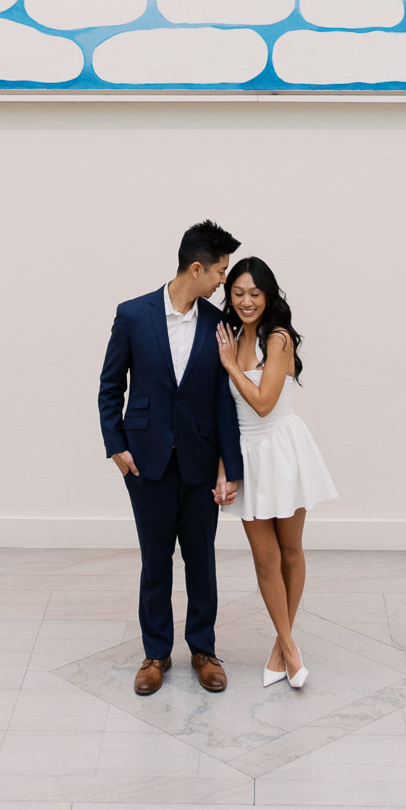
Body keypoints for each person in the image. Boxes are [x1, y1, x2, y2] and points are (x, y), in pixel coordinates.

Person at [98, 219, 245, 697]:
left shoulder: (220, 324)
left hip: (201, 463)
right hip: (147, 461)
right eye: (221, 272)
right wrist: (116, 447)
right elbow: (110, 386)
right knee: (155, 559)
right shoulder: (133, 315)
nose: (224, 281)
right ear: (197, 268)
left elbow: (225, 402)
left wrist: (231, 469)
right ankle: (155, 654)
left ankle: (203, 650)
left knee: (201, 560)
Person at [215, 256, 337, 690]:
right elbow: (223, 412)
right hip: (247, 456)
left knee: (290, 551)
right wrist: (224, 469)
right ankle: (288, 645)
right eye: (238, 293)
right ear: (229, 296)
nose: (247, 301)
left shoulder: (278, 338)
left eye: (255, 293)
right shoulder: (227, 336)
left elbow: (264, 403)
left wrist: (231, 365)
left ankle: (280, 648)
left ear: (268, 296)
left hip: (284, 451)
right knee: (264, 559)